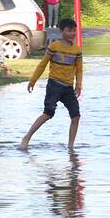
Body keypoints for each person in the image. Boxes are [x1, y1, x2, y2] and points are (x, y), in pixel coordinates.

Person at [19, 18, 83, 151]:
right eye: (69, 31)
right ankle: (27, 138)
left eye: (73, 31)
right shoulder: (54, 47)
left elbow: (79, 69)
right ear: (62, 31)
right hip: (54, 85)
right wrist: (33, 80)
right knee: (48, 113)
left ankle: (71, 147)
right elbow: (43, 64)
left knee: (76, 116)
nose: (72, 33)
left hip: (68, 88)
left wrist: (78, 85)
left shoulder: (77, 50)